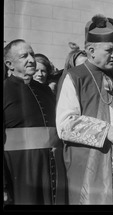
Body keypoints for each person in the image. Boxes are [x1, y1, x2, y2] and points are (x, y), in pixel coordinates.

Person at [55, 14, 113, 205]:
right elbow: (65, 125)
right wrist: (106, 130)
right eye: (109, 51)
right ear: (91, 50)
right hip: (91, 164)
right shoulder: (75, 76)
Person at [3, 39, 67, 204]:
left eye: (31, 54)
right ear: (9, 64)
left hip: (53, 170)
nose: (31, 59)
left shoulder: (44, 90)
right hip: (19, 174)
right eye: (24, 56)